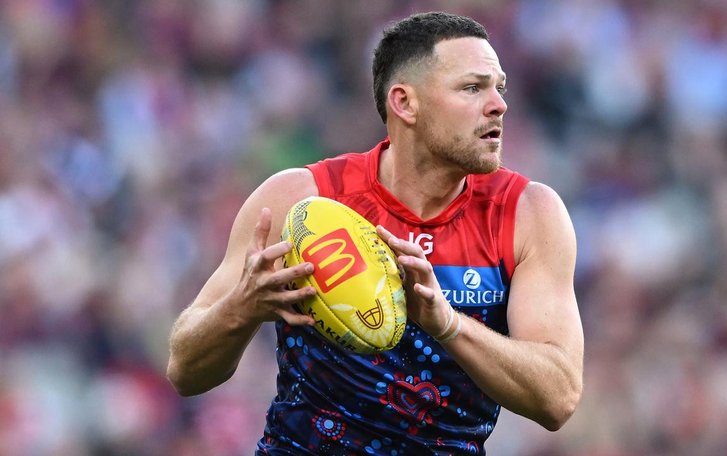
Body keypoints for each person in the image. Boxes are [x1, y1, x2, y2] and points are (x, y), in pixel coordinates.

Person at [167, 11, 583, 455]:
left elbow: (557, 398)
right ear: (404, 103)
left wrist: (446, 324)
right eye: (472, 88)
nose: (498, 104)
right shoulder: (301, 200)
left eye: (499, 87)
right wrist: (241, 308)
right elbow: (184, 370)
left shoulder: (528, 214)